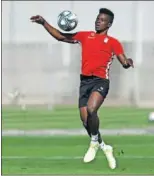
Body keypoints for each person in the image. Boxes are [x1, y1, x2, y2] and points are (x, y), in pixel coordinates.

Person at [30, 8, 134, 169]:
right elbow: (60, 36)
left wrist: (128, 62)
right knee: (86, 121)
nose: (98, 21)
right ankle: (105, 147)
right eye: (97, 18)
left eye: (102, 19)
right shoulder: (85, 36)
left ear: (109, 24)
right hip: (84, 82)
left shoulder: (113, 42)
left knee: (92, 110)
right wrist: (44, 23)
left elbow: (124, 62)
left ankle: (93, 143)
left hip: (100, 81)